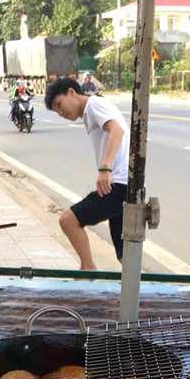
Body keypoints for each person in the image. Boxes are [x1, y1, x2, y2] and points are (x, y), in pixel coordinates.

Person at [45, 76, 129, 270]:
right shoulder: (92, 109)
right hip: (125, 185)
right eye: (57, 111)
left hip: (120, 185)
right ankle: (137, 288)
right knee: (125, 256)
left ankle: (88, 268)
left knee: (68, 220)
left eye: (60, 105)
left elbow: (117, 130)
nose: (61, 113)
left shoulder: (93, 105)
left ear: (71, 92)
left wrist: (105, 168)